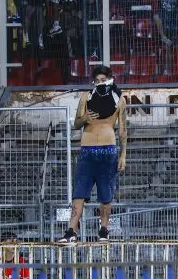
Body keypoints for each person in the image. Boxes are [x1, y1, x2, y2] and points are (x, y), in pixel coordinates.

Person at [57, 65, 127, 244]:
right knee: (79, 193)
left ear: (110, 79)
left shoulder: (119, 99)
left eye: (103, 80)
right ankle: (71, 230)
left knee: (106, 195)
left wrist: (123, 155)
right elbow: (76, 123)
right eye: (97, 80)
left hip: (108, 151)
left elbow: (122, 130)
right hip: (87, 151)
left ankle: (104, 230)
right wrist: (85, 119)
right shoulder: (86, 97)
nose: (100, 83)